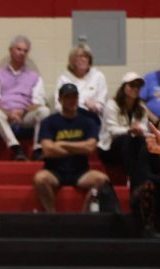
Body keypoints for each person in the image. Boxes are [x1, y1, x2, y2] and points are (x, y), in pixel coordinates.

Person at [33, 84, 110, 214]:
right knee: (40, 179)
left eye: (74, 96)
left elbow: (90, 148)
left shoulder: (88, 121)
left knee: (102, 180)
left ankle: (83, 214)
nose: (71, 100)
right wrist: (80, 147)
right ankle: (52, 215)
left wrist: (62, 144)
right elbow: (47, 150)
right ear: (60, 100)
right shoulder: (49, 121)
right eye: (67, 97)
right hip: (54, 171)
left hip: (80, 171)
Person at [0, 35, 49, 161]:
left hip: (25, 114)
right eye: (19, 49)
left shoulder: (34, 76)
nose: (22, 53)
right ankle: (16, 149)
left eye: (25, 51)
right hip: (5, 113)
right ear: (11, 50)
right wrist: (9, 113)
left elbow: (38, 102)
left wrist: (23, 111)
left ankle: (37, 150)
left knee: (45, 111)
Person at [98, 72, 149, 184]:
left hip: (131, 144)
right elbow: (112, 130)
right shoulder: (112, 105)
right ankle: (133, 177)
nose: (135, 89)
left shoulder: (141, 107)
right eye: (132, 85)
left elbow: (144, 128)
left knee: (143, 141)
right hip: (109, 148)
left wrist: (138, 130)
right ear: (124, 87)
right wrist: (129, 130)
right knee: (126, 140)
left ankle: (142, 178)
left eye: (138, 86)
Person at [55, 43, 107, 118]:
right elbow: (58, 105)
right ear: (73, 60)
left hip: (91, 117)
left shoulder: (98, 76)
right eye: (79, 56)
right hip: (68, 117)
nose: (83, 59)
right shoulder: (64, 78)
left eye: (86, 57)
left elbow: (102, 104)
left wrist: (95, 106)